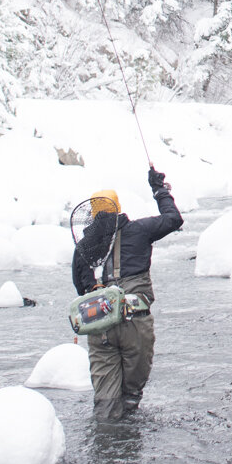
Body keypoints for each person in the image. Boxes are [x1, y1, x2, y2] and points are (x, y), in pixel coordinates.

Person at [72, 168, 183, 420]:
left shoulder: (83, 248)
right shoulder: (139, 230)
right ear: (117, 209)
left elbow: (80, 288)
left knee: (106, 404)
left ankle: (106, 442)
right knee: (130, 398)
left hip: (99, 327)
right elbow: (174, 219)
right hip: (135, 323)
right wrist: (160, 191)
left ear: (92, 214)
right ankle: (130, 439)